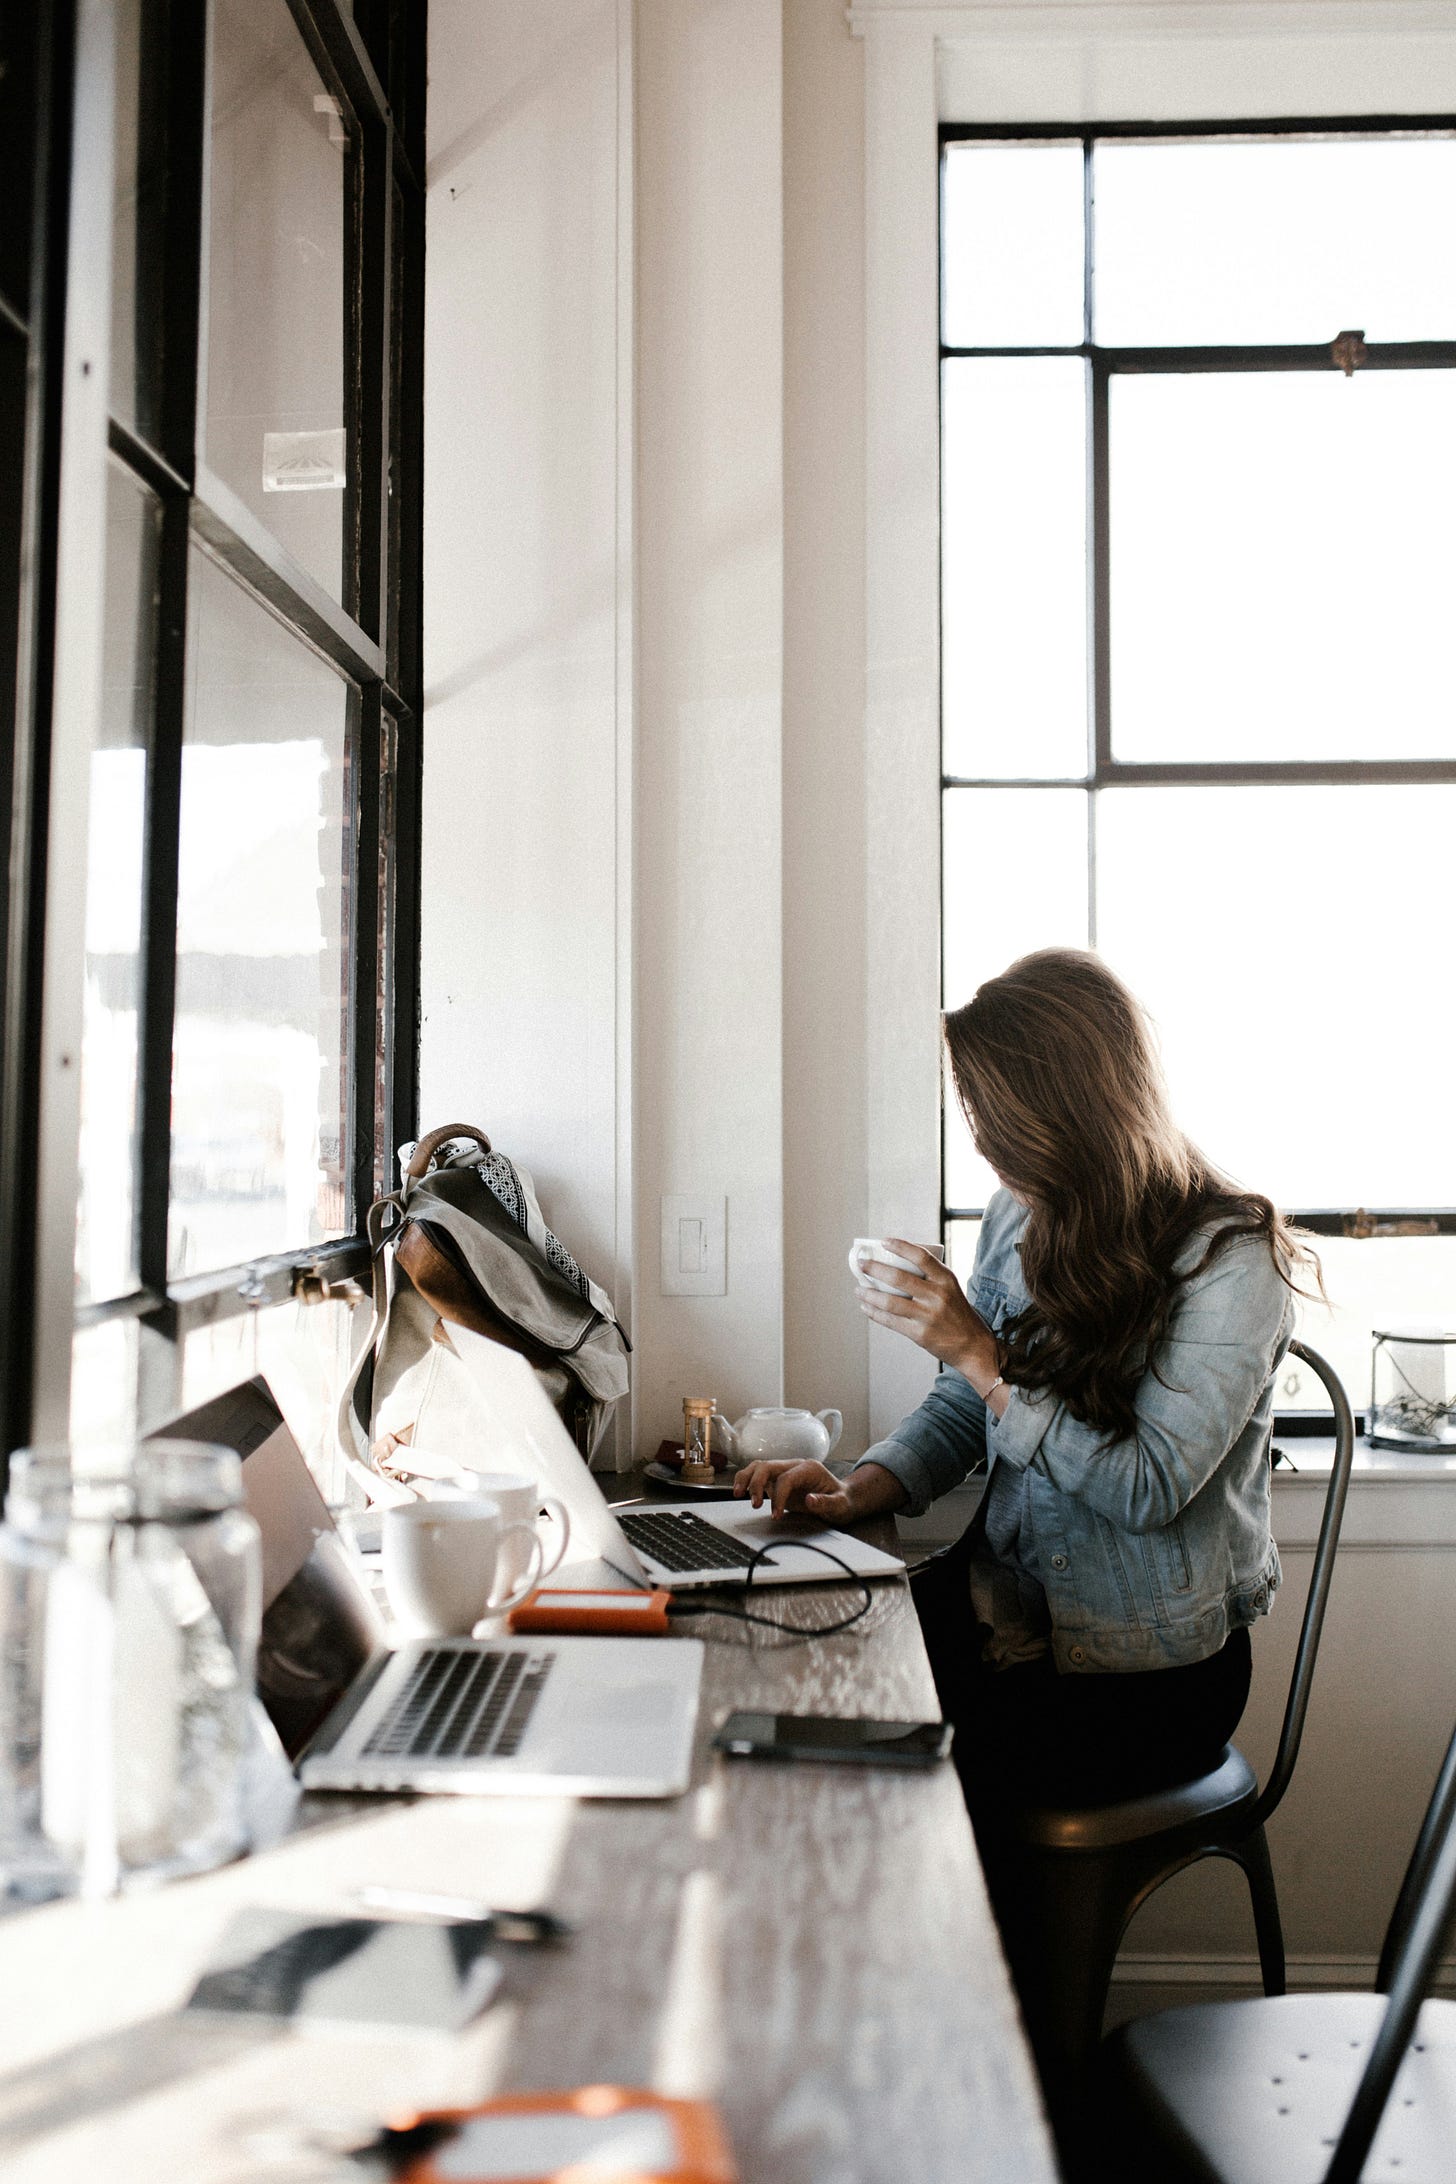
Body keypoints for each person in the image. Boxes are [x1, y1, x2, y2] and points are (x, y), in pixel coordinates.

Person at [733, 947, 1315, 1822]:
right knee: (784, 1668)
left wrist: (978, 1351)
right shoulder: (1022, 1210)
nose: (983, 1141)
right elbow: (969, 1404)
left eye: (994, 1116)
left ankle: (944, 1953)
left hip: (1143, 1677)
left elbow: (1145, 1487)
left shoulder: (1232, 1261)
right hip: (1004, 1616)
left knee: (867, 1780)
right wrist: (859, 1490)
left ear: (1070, 1107)